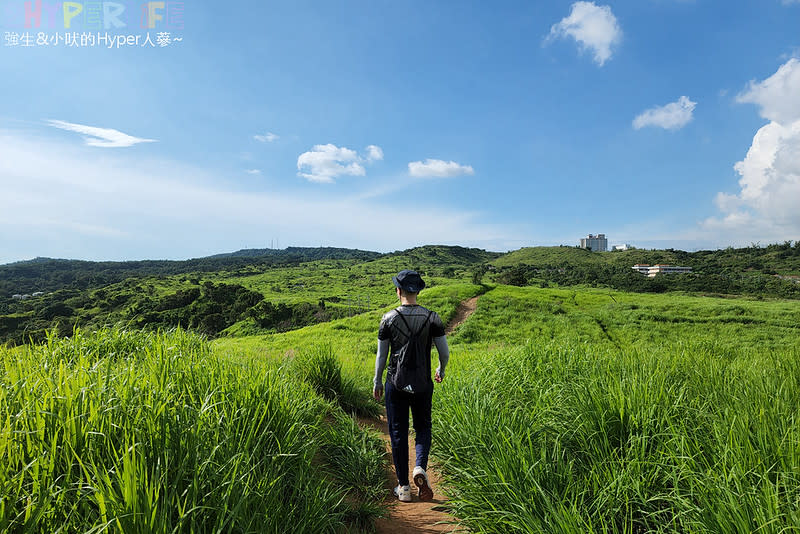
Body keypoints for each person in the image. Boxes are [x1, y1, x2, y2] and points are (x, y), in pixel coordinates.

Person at [373, 269, 450, 502]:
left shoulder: (388, 318)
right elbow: (444, 352)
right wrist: (440, 369)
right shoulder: (432, 317)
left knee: (397, 432)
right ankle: (419, 467)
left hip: (395, 383)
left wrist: (377, 381)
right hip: (423, 383)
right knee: (423, 427)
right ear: (418, 291)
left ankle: (403, 487)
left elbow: (381, 356)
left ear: (398, 291)